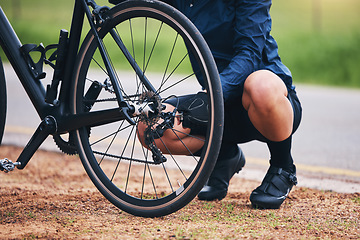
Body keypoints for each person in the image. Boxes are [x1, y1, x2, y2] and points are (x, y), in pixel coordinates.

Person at [134, 0, 302, 209]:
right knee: (149, 127)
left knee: (260, 86)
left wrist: (212, 95)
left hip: (267, 101)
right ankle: (224, 157)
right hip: (218, 108)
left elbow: (249, 53)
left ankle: (282, 166)